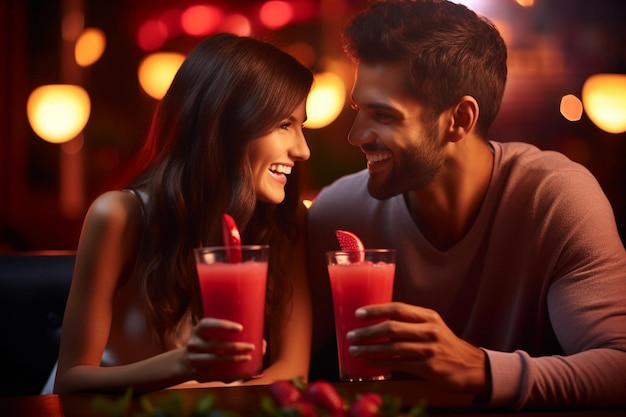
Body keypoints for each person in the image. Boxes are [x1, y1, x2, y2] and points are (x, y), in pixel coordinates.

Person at [307, 0, 626, 410]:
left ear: (459, 119)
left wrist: (481, 369)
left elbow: (618, 366)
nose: (356, 136)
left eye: (383, 116)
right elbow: (288, 371)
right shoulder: (335, 213)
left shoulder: (553, 199)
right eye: (358, 110)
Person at [50, 33, 313, 394]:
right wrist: (185, 364)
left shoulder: (284, 219)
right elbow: (71, 380)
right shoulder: (120, 216)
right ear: (224, 123)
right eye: (284, 124)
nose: (302, 150)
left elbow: (291, 371)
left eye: (302, 126)